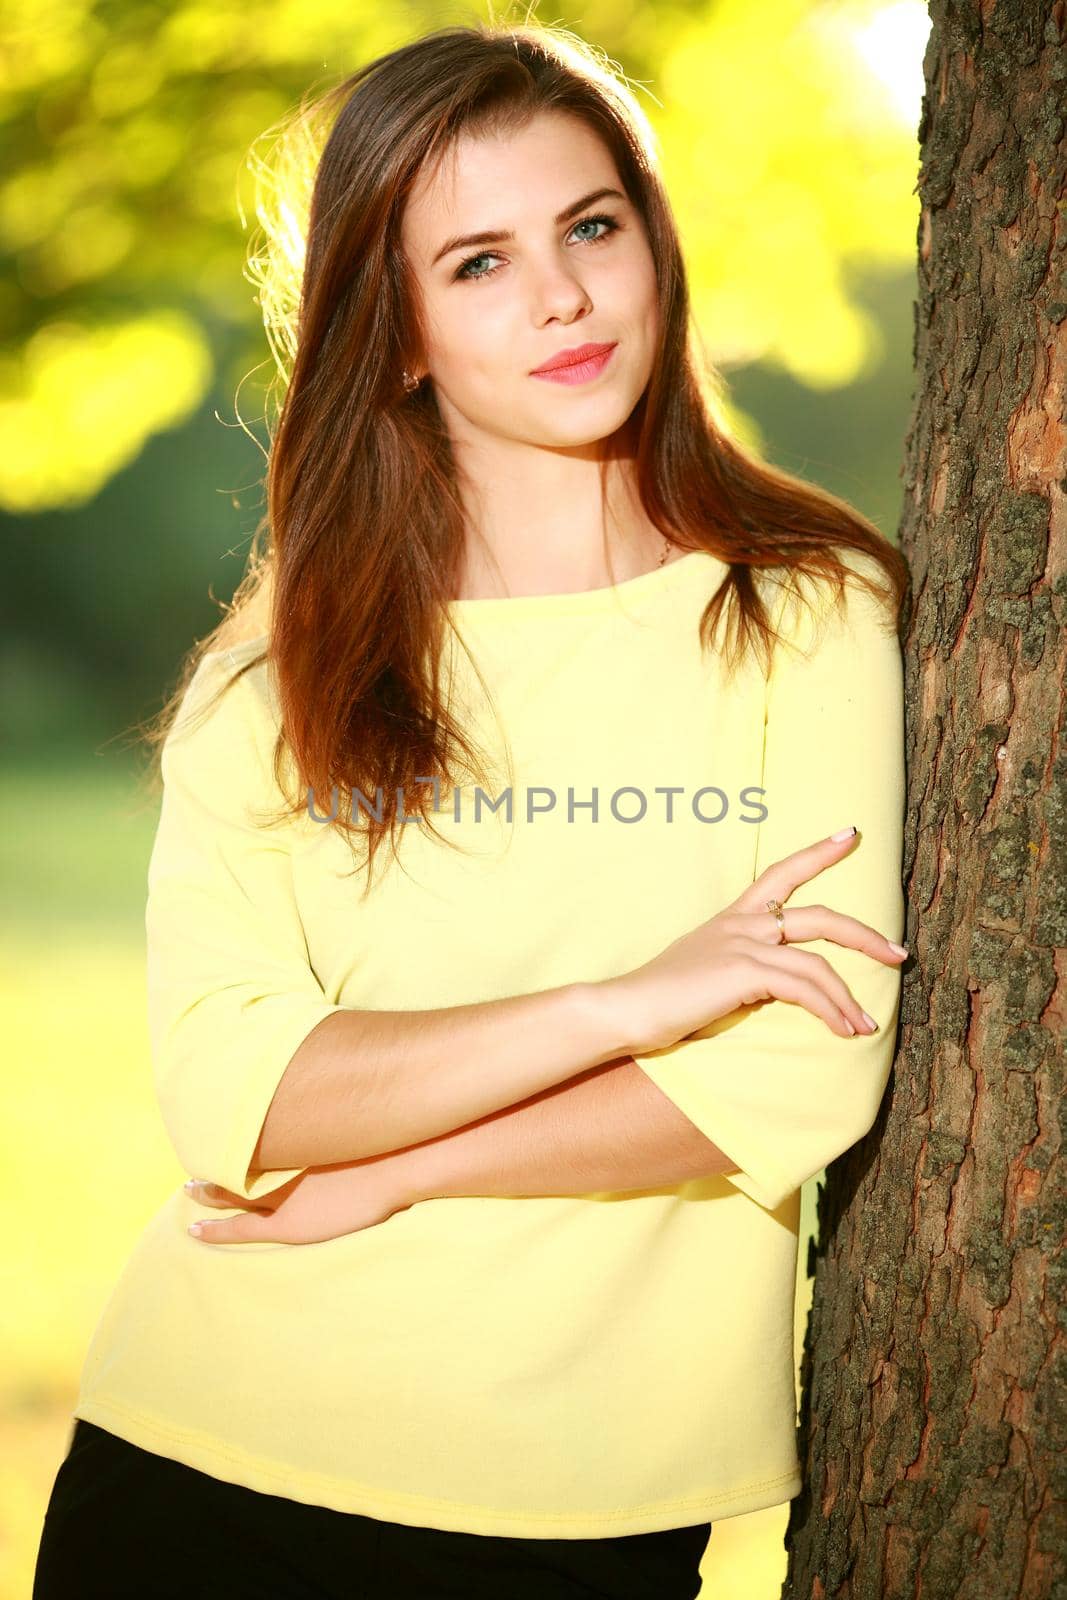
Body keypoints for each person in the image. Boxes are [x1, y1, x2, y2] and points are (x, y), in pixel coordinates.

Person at [33, 21, 910, 1600]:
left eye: (590, 226)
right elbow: (238, 1090)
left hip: (586, 1494)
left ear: (652, 239)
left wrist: (402, 1164)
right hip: (209, 1449)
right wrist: (624, 1005)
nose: (563, 297)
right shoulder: (272, 681)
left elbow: (801, 1076)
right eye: (478, 262)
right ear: (405, 330)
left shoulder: (809, 609)